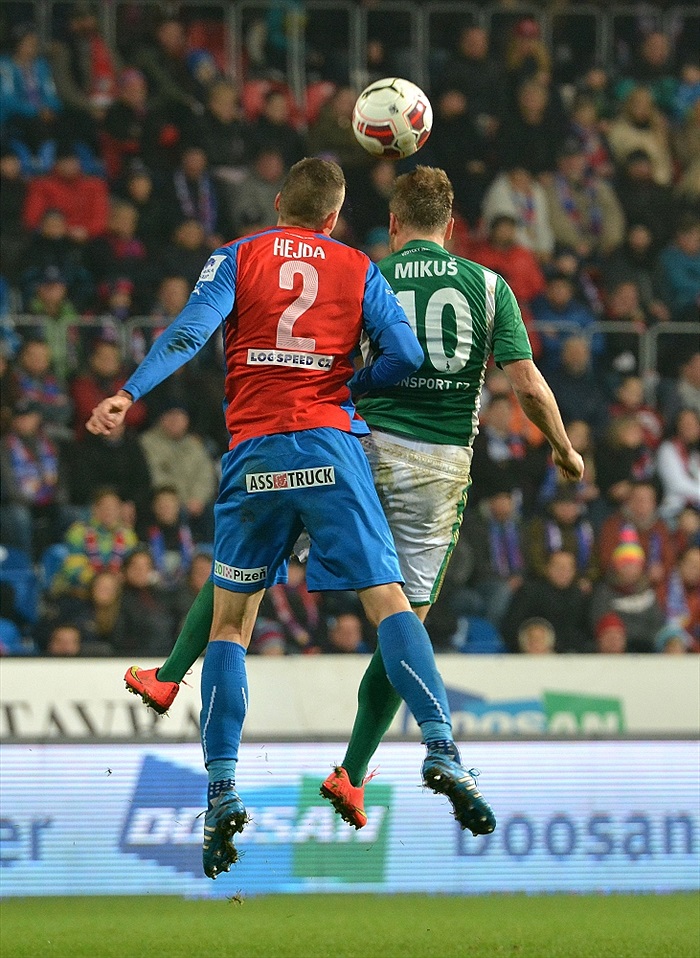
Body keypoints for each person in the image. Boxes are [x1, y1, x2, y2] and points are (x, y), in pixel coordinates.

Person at [113, 164, 582, 847]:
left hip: (346, 444)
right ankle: (386, 762)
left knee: (235, 600)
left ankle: (179, 695)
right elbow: (527, 386)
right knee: (398, 614)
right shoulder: (480, 284)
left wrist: (132, 392)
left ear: (392, 223)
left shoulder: (360, 269)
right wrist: (565, 450)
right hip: (421, 462)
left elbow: (203, 330)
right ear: (452, 226)